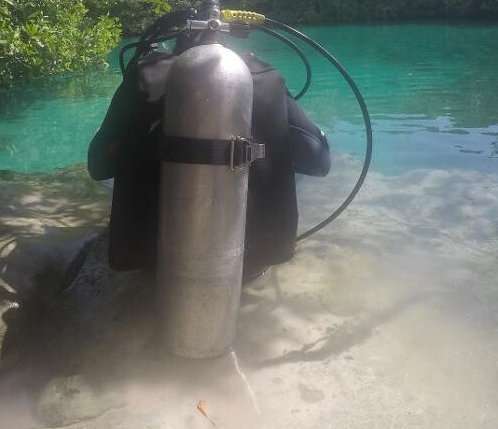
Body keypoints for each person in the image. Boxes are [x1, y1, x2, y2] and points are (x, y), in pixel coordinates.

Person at [88, 25, 331, 278]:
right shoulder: (265, 77)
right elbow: (319, 162)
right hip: (249, 265)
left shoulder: (144, 76)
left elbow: (97, 168)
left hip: (157, 265)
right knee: (282, 152)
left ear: (175, 49)